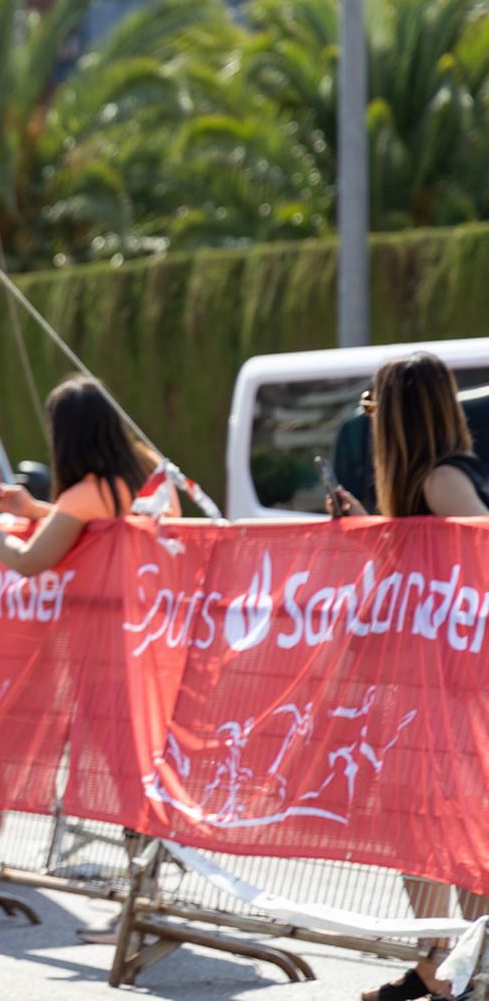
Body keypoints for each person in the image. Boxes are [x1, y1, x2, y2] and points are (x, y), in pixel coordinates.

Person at [330, 352, 489, 1001]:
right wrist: (369, 531)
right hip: (445, 682)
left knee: (435, 818)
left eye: (375, 410)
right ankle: (446, 960)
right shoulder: (436, 480)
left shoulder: (441, 480)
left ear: (397, 416)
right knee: (435, 819)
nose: (369, 424)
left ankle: (450, 960)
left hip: (455, 684)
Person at [0, 375, 154, 574]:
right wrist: (35, 510)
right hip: (164, 598)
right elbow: (92, 521)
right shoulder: (150, 467)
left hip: (116, 602)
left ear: (66, 441)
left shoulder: (89, 494)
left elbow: (26, 561)